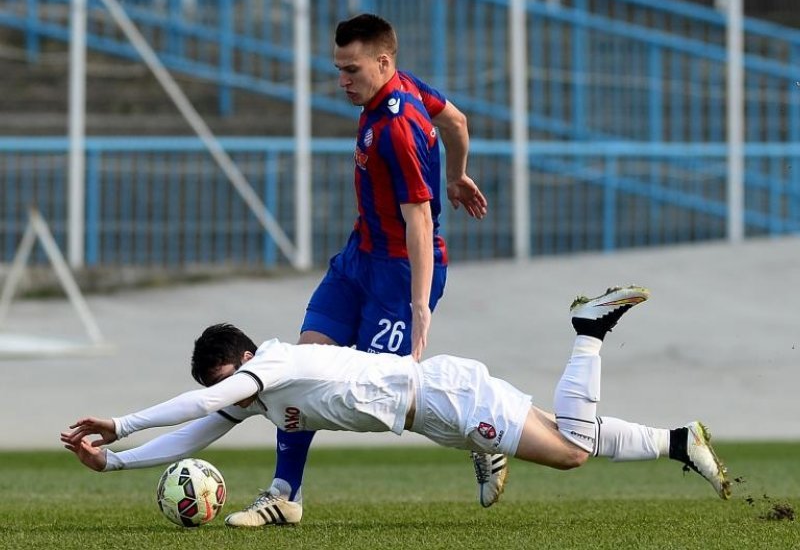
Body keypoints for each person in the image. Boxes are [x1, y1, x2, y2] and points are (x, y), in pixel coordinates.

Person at [61, 285, 733, 528]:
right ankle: (679, 442)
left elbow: (208, 400)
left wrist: (116, 423)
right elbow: (199, 431)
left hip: (445, 397)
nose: (234, 395)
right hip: (436, 409)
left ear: (241, 361)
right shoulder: (264, 393)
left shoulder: (274, 363)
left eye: (229, 379)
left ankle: (588, 330)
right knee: (561, 435)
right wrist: (117, 462)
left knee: (571, 452)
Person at [260, 12, 495, 525]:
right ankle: (284, 493)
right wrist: (458, 176)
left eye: (351, 69)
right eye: (339, 69)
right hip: (356, 260)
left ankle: (481, 431)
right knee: (302, 368)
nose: (342, 81)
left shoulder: (399, 131)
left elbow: (418, 221)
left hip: (397, 275)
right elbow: (456, 120)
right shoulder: (400, 88)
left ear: (382, 62)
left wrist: (418, 305)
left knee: (378, 397)